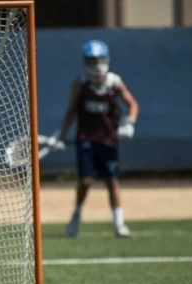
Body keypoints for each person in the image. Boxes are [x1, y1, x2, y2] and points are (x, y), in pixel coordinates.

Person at [58, 40, 140, 238]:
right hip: (86, 138)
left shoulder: (114, 82)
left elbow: (133, 105)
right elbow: (71, 110)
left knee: (112, 181)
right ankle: (75, 217)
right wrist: (62, 135)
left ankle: (119, 223)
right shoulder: (81, 84)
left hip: (108, 140)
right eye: (91, 61)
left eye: (99, 60)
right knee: (85, 181)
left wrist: (129, 123)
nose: (96, 65)